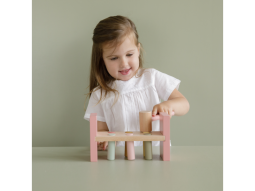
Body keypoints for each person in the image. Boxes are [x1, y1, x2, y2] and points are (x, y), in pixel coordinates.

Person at [84, 15, 190, 151]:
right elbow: (101, 131)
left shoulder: (151, 77)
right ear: (102, 60)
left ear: (138, 51)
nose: (124, 63)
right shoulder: (100, 94)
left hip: (156, 154)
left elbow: (184, 104)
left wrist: (169, 105)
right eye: (114, 58)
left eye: (129, 54)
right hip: (121, 158)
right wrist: (104, 139)